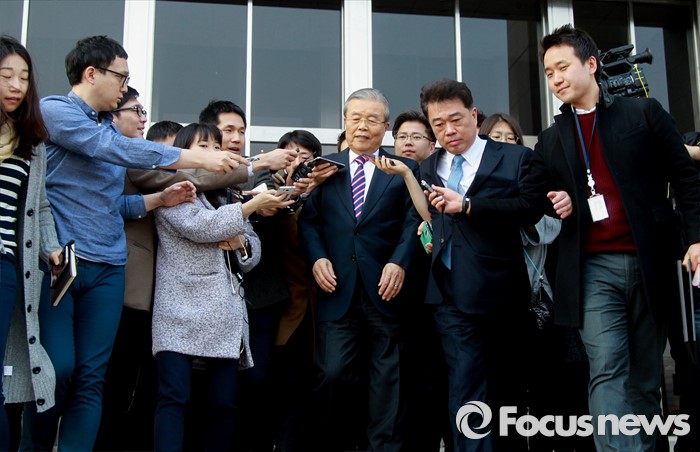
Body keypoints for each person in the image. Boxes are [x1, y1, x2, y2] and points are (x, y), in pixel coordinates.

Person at [436, 24, 700, 450]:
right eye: (548, 72)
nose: (555, 79)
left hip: (650, 261)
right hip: (592, 268)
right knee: (607, 367)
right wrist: (470, 205)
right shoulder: (552, 139)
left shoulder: (644, 114)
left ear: (591, 64)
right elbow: (527, 203)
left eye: (562, 67)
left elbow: (686, 178)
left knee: (645, 376)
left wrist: (695, 239)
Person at [20, 35, 232, 451]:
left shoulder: (106, 126)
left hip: (109, 267)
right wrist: (201, 157)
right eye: (121, 77)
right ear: (91, 73)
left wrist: (159, 199)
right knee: (57, 369)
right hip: (61, 264)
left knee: (91, 378)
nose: (125, 86)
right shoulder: (56, 111)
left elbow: (112, 203)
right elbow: (112, 147)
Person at [151, 122, 291, 451]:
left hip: (224, 314)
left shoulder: (226, 194)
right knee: (174, 396)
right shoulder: (173, 189)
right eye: (203, 146)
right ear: (184, 153)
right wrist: (250, 207)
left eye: (216, 146)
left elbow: (251, 250)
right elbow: (201, 226)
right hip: (178, 311)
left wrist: (242, 243)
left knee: (223, 402)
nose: (213, 153)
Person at [299, 88, 421, 451]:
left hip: (386, 290)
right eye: (355, 118)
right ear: (345, 121)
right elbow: (309, 221)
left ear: (386, 127)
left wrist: (399, 261)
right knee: (332, 373)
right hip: (337, 289)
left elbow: (414, 221)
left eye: (371, 119)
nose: (362, 126)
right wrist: (317, 257)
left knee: (387, 383)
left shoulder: (404, 169)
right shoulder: (325, 168)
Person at [418, 79, 535, 451]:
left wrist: (469, 206)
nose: (448, 130)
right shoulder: (428, 166)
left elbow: (528, 208)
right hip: (449, 295)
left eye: (456, 119)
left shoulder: (514, 158)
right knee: (465, 387)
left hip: (501, 293)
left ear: (473, 115)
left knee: (505, 392)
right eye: (438, 124)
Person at [0, 34, 61, 451]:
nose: (17, 86)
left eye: (23, 77)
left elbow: (38, 206)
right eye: (6, 76)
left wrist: (50, 247)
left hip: (5, 266)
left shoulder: (31, 143)